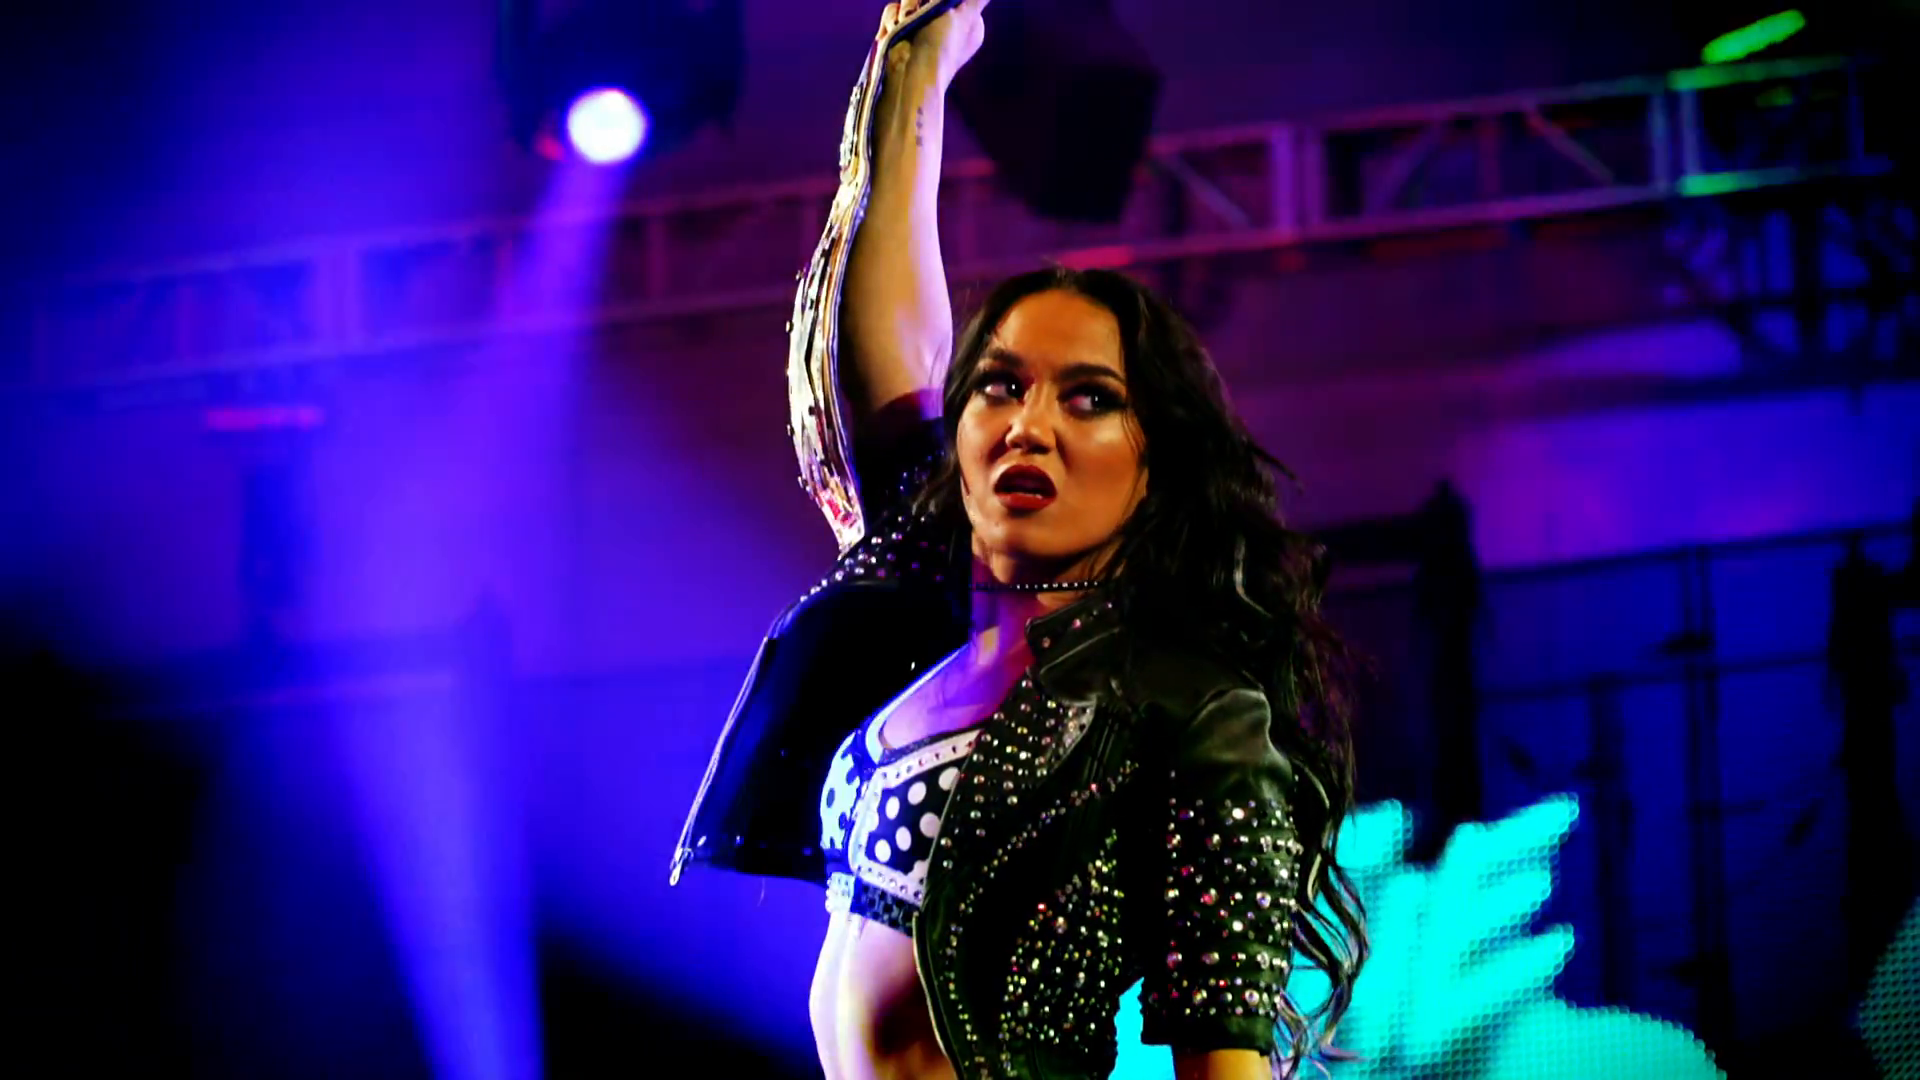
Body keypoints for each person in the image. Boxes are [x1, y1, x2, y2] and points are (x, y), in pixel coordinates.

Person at [670, 2, 1367, 1077]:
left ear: (1155, 461)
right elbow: (888, 359)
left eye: (1089, 399)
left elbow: (1223, 1058)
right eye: (1000, 386)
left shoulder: (1194, 715)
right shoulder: (936, 620)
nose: (1029, 424)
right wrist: (918, 64)